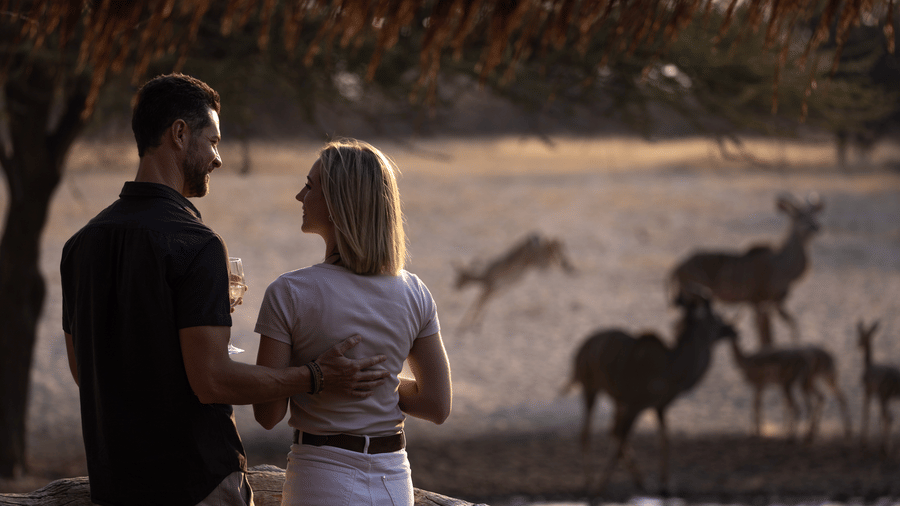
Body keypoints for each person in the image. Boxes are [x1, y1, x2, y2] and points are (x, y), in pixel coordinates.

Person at [61, 74, 390, 506]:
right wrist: (316, 376)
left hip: (115, 486)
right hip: (196, 482)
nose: (217, 158)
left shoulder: (80, 245)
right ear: (179, 134)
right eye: (213, 141)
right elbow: (213, 381)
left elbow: (86, 371)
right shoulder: (196, 243)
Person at [252, 139, 452, 506]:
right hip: (394, 478)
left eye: (310, 186)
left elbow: (267, 414)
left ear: (336, 204)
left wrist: (315, 376)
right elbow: (436, 405)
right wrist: (386, 381)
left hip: (321, 477)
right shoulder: (414, 291)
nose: (300, 195)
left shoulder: (290, 292)